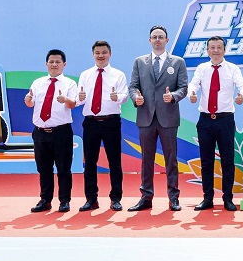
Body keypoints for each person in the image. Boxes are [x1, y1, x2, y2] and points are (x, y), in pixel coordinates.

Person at [128, 26, 189, 212]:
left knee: (171, 159)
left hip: (168, 118)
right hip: (146, 117)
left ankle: (174, 197)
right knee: (146, 160)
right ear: (149, 40)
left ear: (167, 40)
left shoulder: (178, 62)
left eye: (160, 37)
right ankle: (146, 197)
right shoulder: (140, 62)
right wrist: (136, 98)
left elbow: (183, 88)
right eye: (154, 37)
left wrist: (173, 96)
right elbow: (133, 86)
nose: (157, 40)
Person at [188, 36, 243, 211]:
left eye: (219, 47)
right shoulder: (202, 68)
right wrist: (192, 93)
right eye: (212, 48)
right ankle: (207, 198)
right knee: (206, 161)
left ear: (224, 50)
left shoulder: (232, 69)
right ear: (207, 50)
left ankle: (228, 198)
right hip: (205, 121)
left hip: (225, 121)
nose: (215, 51)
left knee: (227, 161)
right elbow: (193, 84)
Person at [75, 40, 128, 212]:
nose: (101, 55)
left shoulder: (118, 75)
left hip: (111, 122)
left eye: (104, 52)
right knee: (90, 162)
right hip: (91, 122)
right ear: (93, 55)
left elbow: (125, 96)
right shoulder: (85, 75)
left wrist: (117, 97)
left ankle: (116, 198)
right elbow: (78, 99)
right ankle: (91, 199)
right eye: (97, 53)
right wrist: (79, 98)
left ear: (110, 54)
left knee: (114, 162)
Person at [24, 49, 78, 213]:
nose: (54, 65)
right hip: (40, 132)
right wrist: (27, 100)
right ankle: (45, 200)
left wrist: (65, 99)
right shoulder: (38, 83)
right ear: (46, 64)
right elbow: (30, 104)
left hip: (61, 132)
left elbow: (72, 105)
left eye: (58, 62)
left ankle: (64, 201)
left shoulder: (70, 83)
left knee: (63, 168)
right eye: (51, 62)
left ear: (64, 64)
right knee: (44, 168)